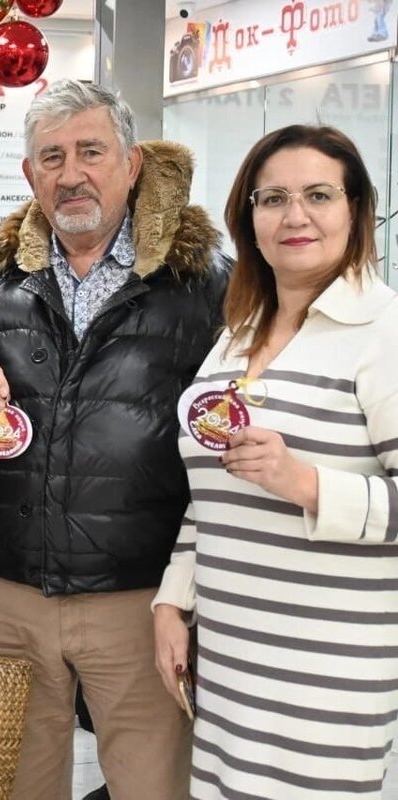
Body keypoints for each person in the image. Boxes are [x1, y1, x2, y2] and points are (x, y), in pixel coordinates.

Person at [0, 79, 228, 799]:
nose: (71, 174)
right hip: (8, 591)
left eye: (91, 151)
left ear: (131, 164)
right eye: (52, 157)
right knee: (14, 785)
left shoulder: (205, 286)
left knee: (152, 782)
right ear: (30, 176)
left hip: (141, 598)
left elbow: (230, 436)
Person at [153, 125, 398, 798]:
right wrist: (173, 604)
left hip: (328, 674)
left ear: (356, 210)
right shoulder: (235, 337)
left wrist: (307, 483)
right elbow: (210, 495)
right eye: (272, 198)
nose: (295, 215)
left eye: (319, 194)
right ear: (248, 219)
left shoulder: (383, 331)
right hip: (233, 662)